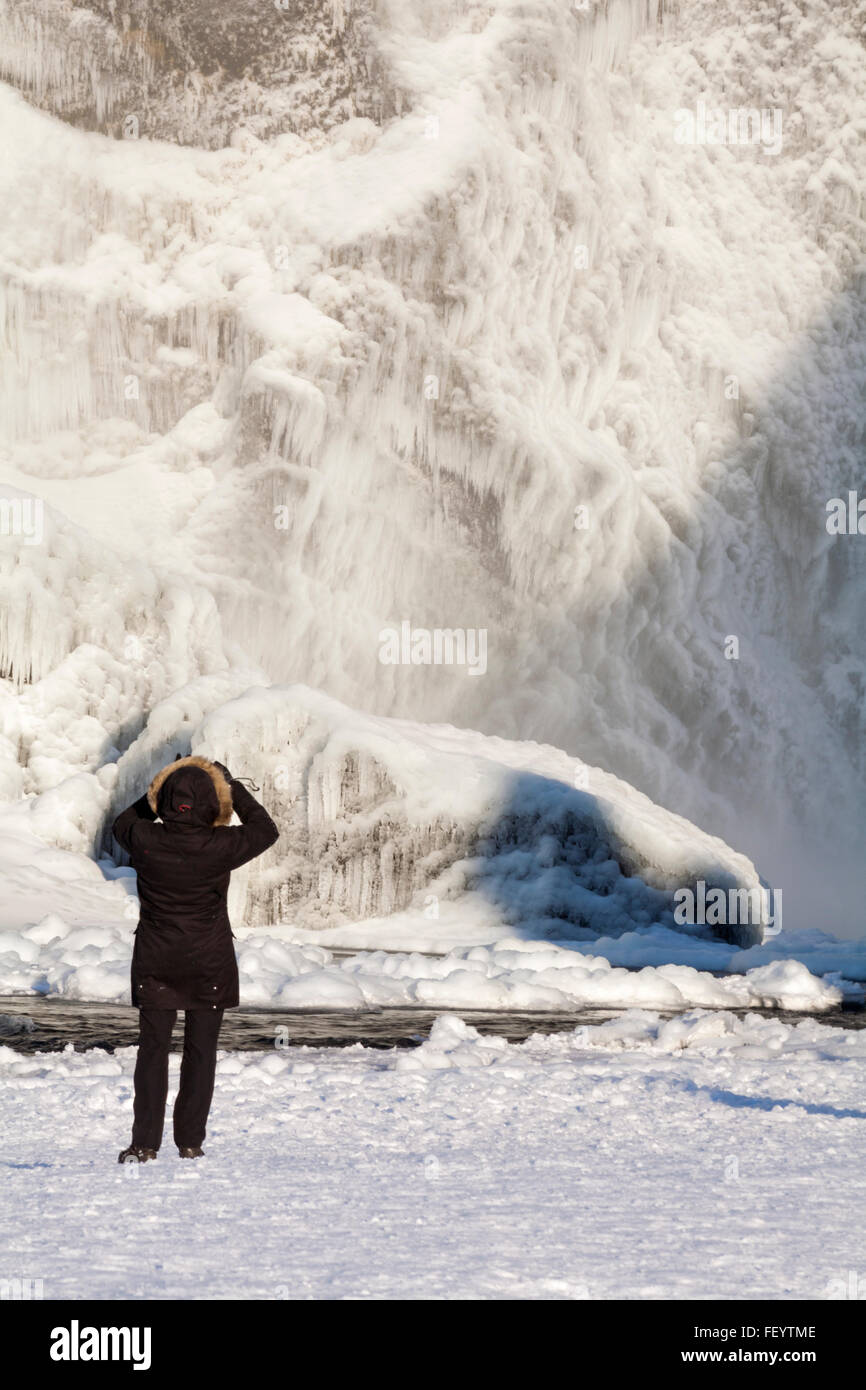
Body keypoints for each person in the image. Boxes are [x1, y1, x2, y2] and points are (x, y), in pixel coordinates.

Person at [112, 755, 279, 1162]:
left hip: (156, 961)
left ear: (164, 802)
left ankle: (144, 1145)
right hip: (210, 963)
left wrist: (157, 788)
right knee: (200, 1052)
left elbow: (121, 823)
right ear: (211, 803)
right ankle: (190, 1142)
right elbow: (265, 829)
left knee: (152, 1051)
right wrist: (229, 783)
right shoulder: (221, 846)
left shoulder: (145, 839)